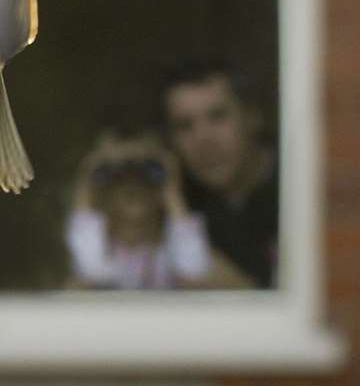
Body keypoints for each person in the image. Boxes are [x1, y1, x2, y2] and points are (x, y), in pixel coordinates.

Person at [158, 59, 279, 288]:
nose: (203, 140)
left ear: (252, 117)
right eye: (184, 126)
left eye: (218, 116)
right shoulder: (182, 201)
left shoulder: (298, 186)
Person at [64, 130, 214, 290]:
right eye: (119, 175)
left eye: (145, 173)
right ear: (103, 193)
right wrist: (92, 173)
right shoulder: (101, 249)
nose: (133, 183)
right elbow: (90, 271)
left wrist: (172, 193)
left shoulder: (168, 252)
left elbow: (195, 271)